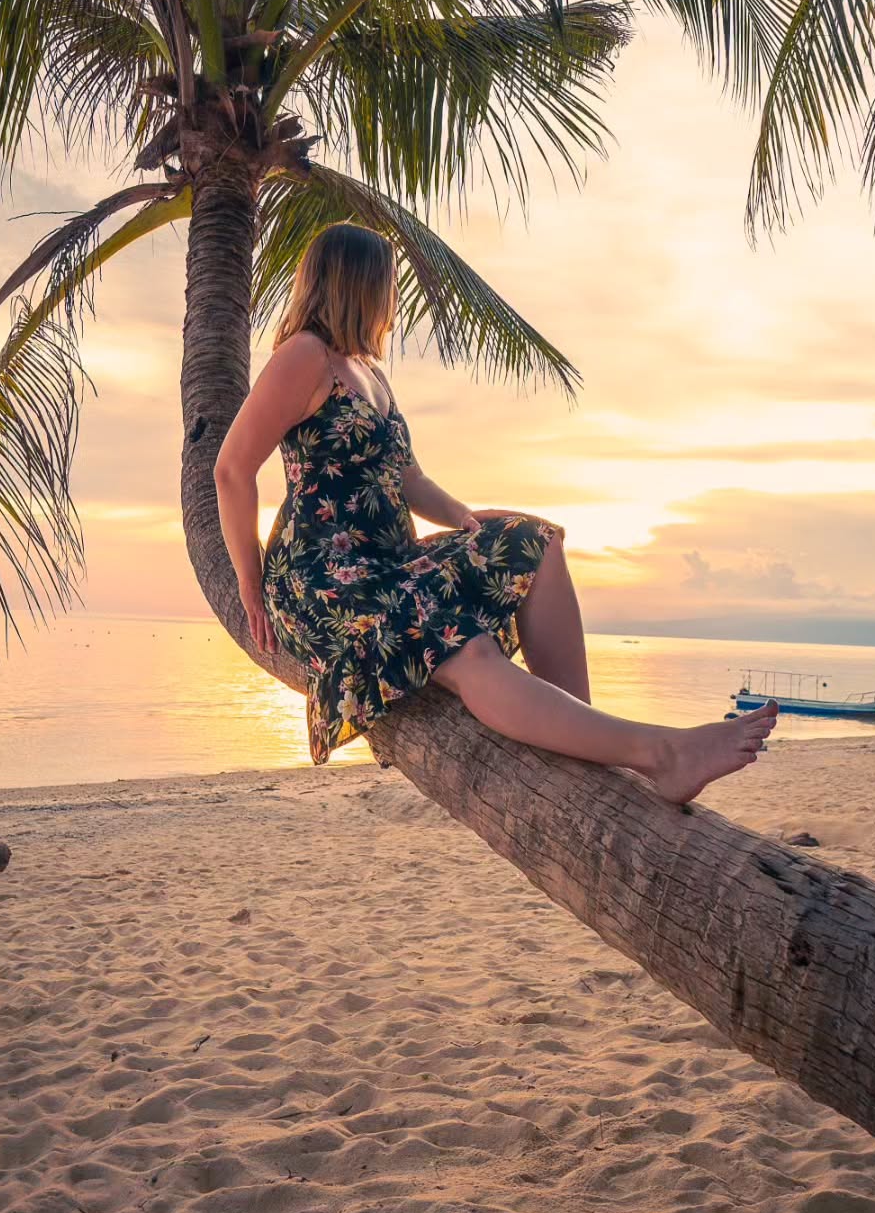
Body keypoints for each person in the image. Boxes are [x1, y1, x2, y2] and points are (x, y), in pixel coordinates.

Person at [213, 223, 777, 805]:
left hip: (389, 561)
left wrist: (468, 520)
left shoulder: (367, 372)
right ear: (355, 283)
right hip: (328, 580)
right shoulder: (303, 355)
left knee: (537, 543)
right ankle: (663, 754)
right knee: (467, 647)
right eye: (386, 282)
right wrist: (250, 585)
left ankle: (586, 736)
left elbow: (410, 480)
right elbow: (232, 469)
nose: (391, 299)